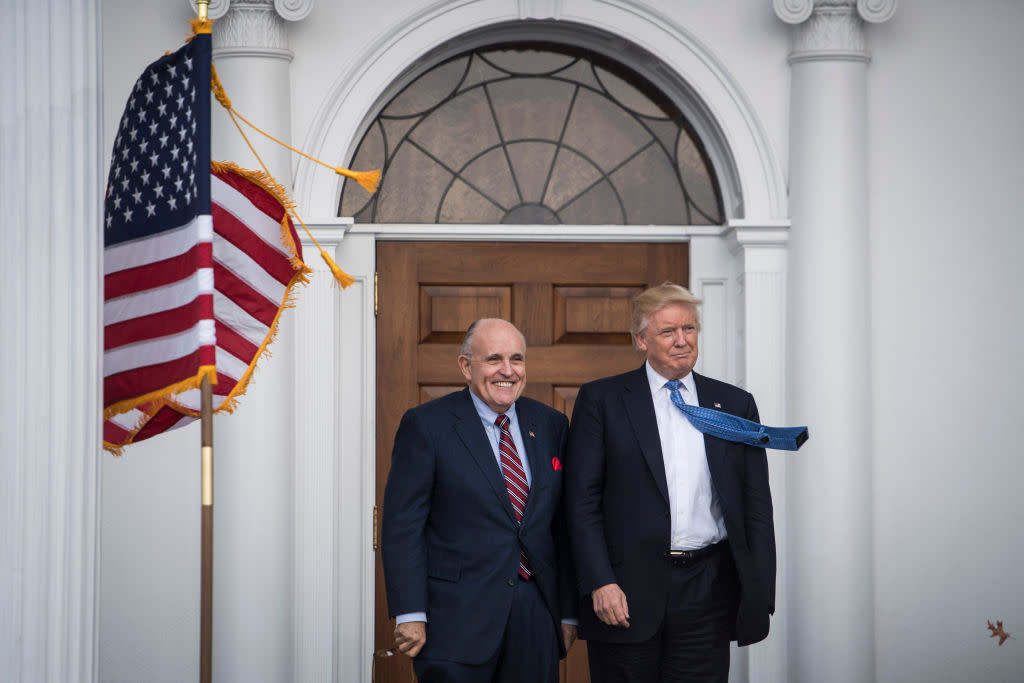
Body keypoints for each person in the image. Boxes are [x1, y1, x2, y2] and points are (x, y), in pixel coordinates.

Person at [565, 283, 775, 682]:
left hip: (708, 591)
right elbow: (581, 502)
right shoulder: (602, 401)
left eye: (689, 329)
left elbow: (755, 503)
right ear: (641, 340)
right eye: (668, 332)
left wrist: (760, 585)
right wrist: (599, 581)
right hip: (625, 593)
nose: (682, 341)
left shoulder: (733, 403)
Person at [382, 318, 578, 683]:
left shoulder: (551, 424)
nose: (508, 371)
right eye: (494, 359)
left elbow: (562, 527)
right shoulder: (427, 425)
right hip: (455, 618)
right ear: (466, 366)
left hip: (535, 615)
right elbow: (403, 525)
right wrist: (410, 612)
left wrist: (567, 613)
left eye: (516, 359)